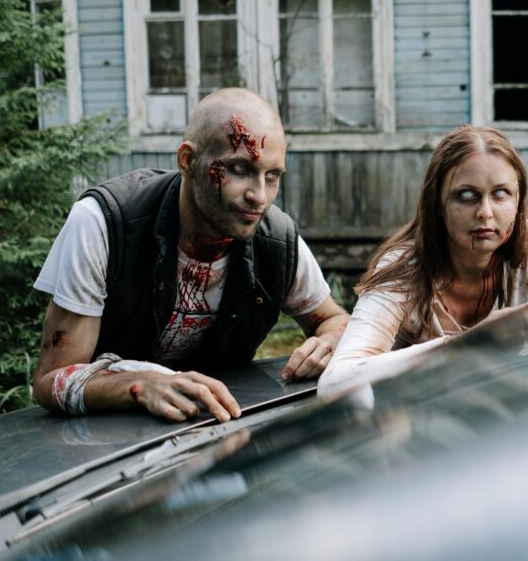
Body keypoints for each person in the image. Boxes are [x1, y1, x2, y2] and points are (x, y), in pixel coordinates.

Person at [31, 88, 348, 423]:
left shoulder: (276, 239)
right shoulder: (105, 223)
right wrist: (139, 385)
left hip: (221, 433)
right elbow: (51, 380)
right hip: (109, 450)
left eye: (272, 176)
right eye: (240, 168)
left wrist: (331, 339)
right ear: (187, 160)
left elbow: (334, 320)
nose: (259, 196)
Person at [318, 125, 528, 399]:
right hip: (418, 422)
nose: (485, 213)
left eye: (500, 194)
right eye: (467, 195)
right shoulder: (401, 269)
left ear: (518, 202)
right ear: (437, 203)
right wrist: (468, 343)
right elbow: (336, 383)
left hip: (506, 415)